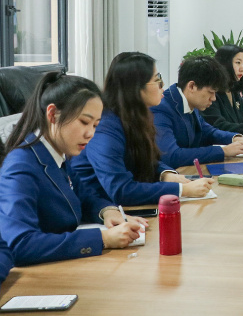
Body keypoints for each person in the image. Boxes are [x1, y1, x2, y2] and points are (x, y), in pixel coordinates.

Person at [0, 72, 145, 266]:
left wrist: (108, 211)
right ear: (52, 114)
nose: (90, 133)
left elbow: (83, 196)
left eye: (95, 125)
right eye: (84, 122)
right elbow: (20, 244)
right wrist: (103, 239)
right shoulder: (21, 165)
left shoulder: (56, 154)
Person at [71, 52, 214, 205]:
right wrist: (181, 190)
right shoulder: (105, 127)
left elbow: (144, 160)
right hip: (102, 208)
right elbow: (121, 190)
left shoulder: (135, 116)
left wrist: (165, 174)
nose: (162, 85)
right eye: (157, 79)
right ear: (136, 87)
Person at [153, 56, 243, 169]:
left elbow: (207, 131)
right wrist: (223, 151)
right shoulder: (161, 109)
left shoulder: (190, 100)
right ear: (192, 86)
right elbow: (171, 156)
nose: (214, 98)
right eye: (211, 92)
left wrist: (234, 138)